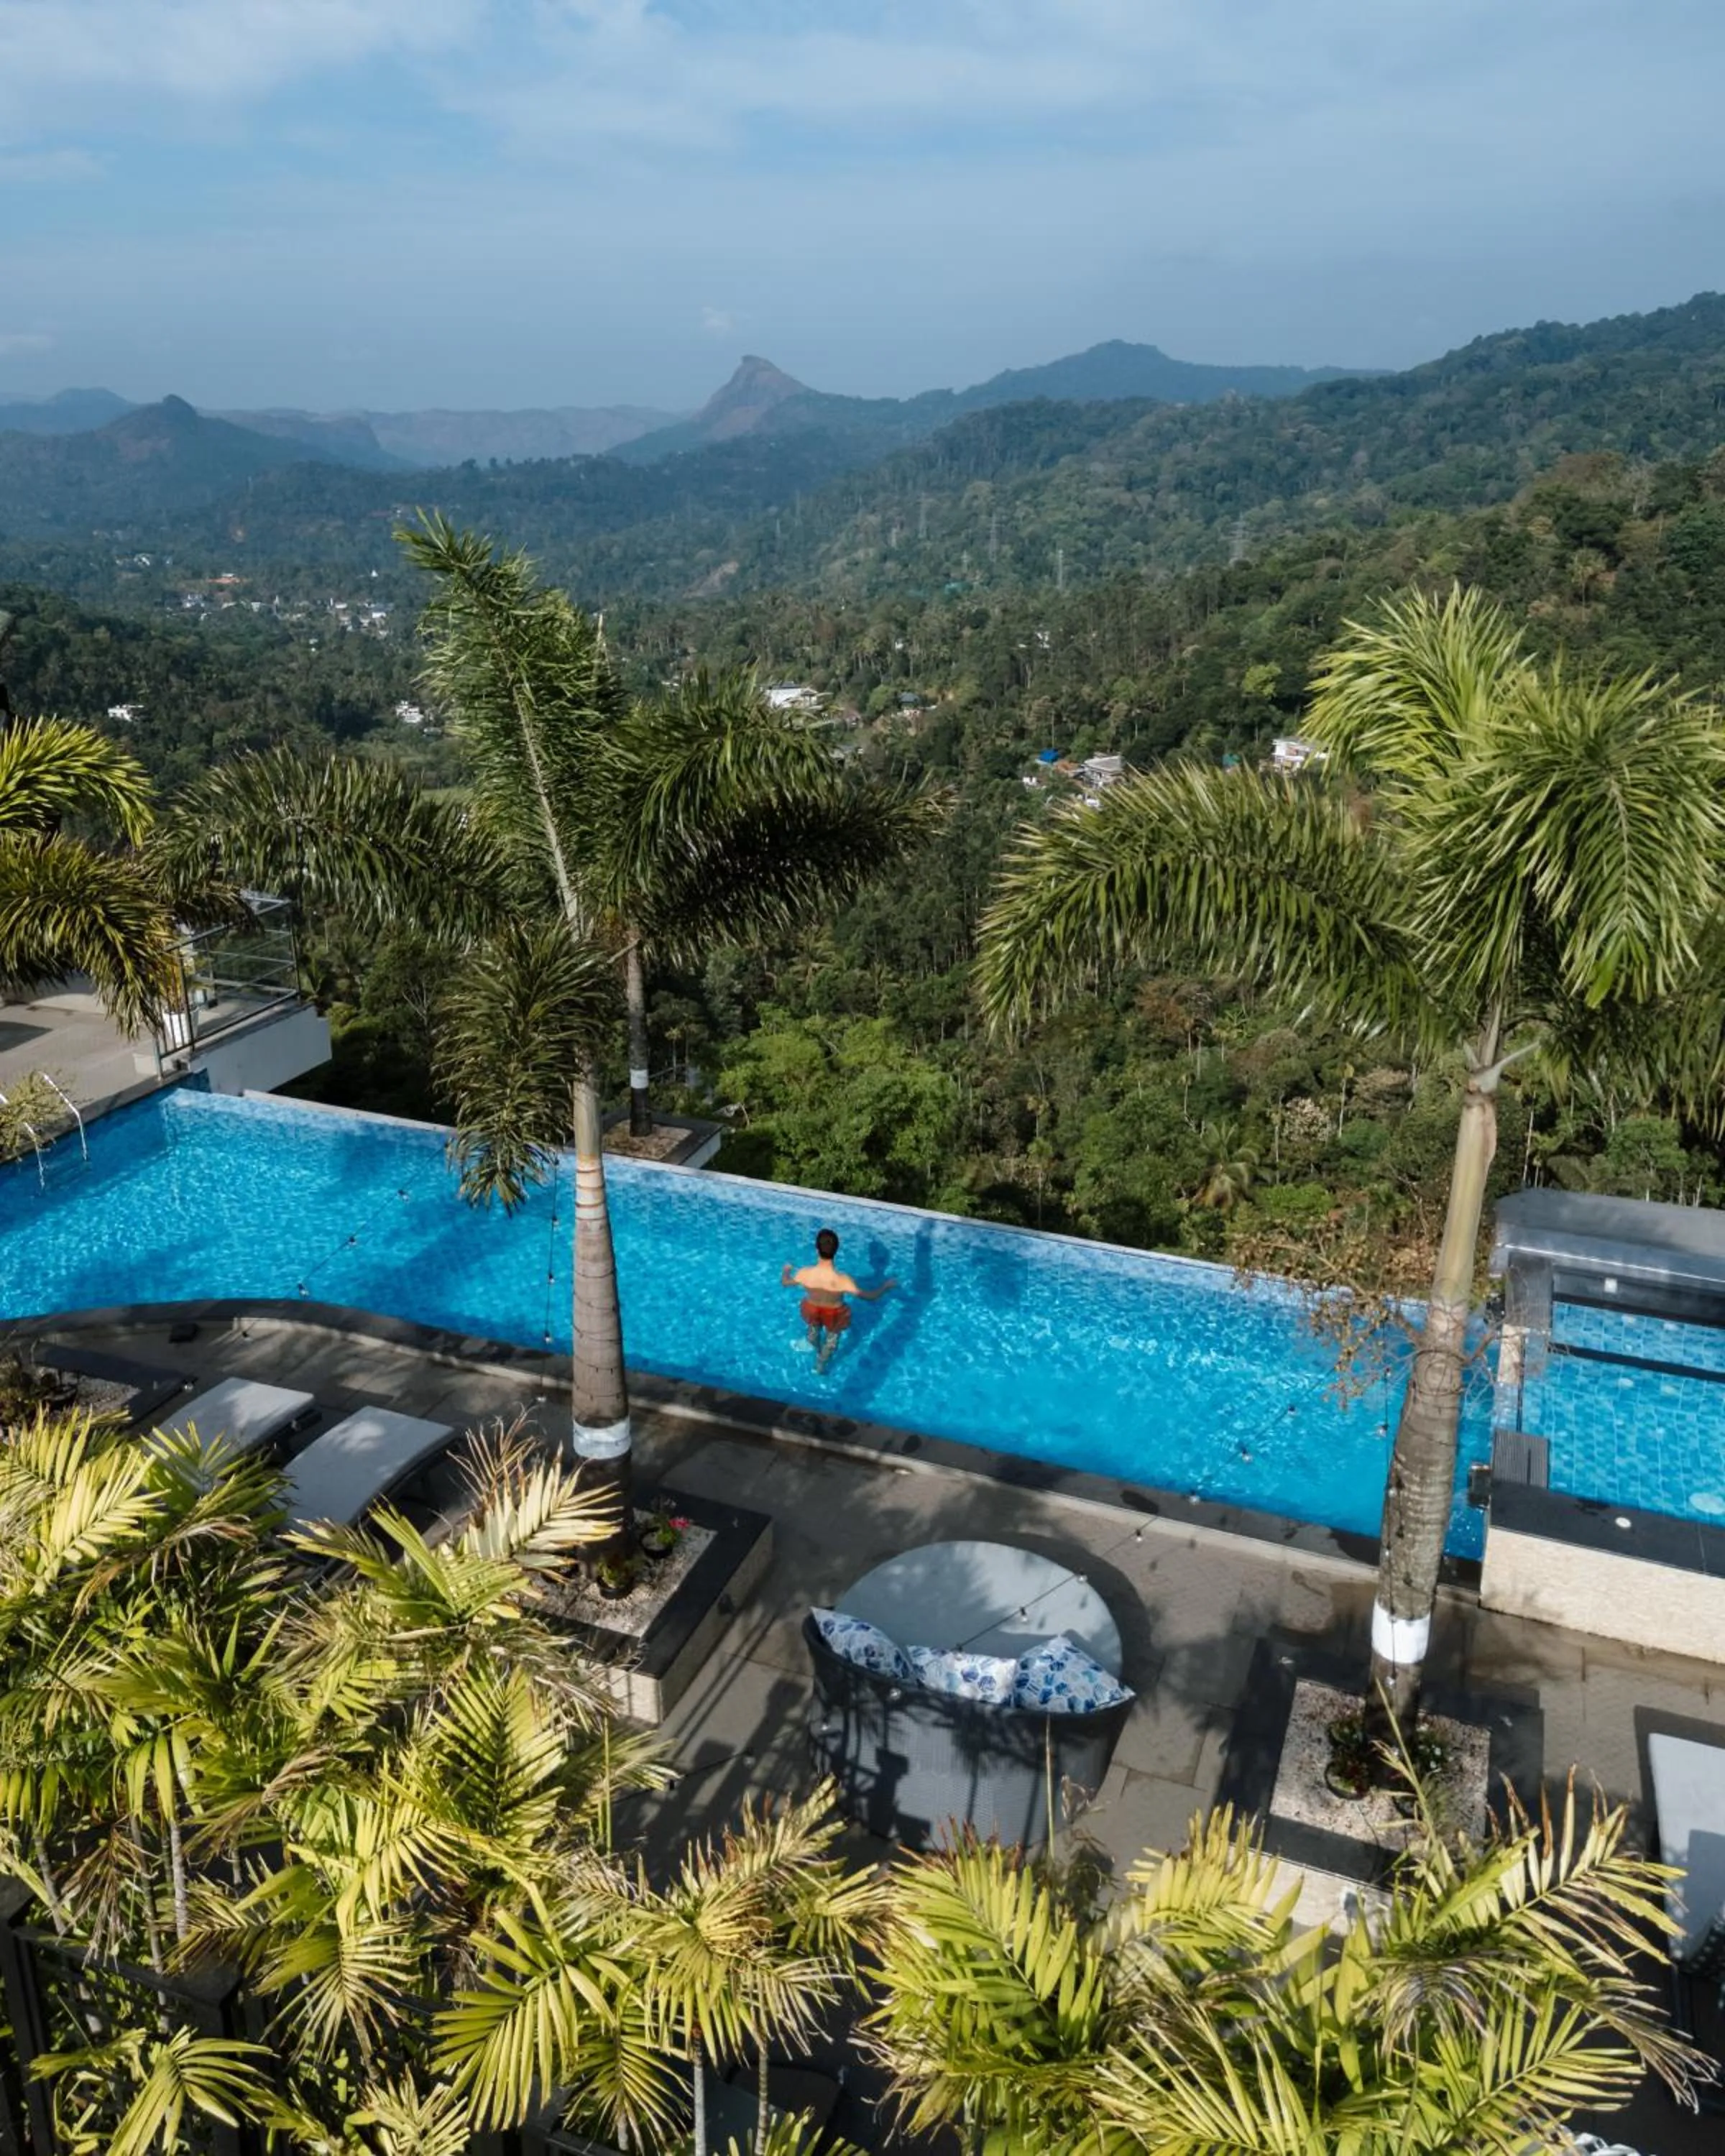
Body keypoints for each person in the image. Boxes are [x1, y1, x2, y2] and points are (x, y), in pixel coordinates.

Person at [781, 1227, 896, 1371]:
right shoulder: (842, 1280)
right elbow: (870, 1297)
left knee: (814, 1326)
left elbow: (786, 1283)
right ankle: (820, 1366)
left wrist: (786, 1270)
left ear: (817, 1249)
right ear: (836, 1251)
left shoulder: (804, 1273)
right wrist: (886, 1286)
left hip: (812, 1308)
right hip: (834, 1313)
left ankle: (812, 1344)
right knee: (831, 1341)